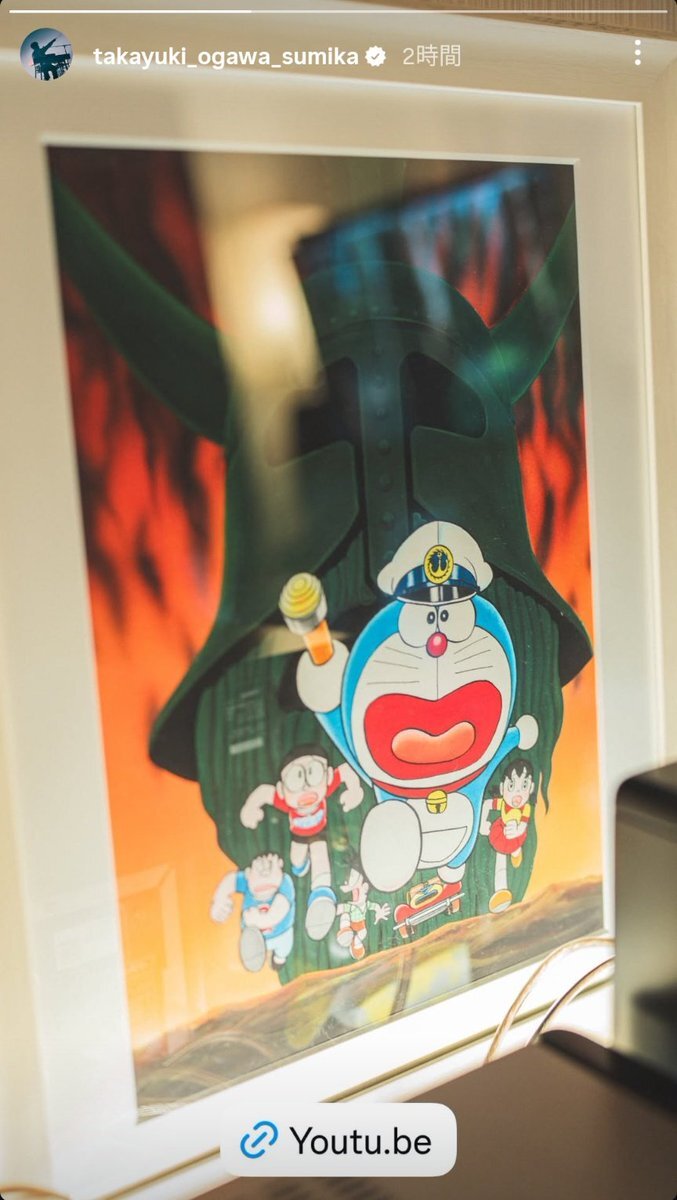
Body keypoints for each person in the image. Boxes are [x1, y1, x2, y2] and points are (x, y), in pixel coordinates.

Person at [240, 745, 364, 941]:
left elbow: (346, 771)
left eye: (313, 774)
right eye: (295, 779)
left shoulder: (327, 783)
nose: (306, 787)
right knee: (296, 861)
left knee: (320, 860)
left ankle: (321, 897)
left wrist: (355, 791)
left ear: (327, 776)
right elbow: (264, 793)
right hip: (298, 837)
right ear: (282, 788)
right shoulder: (284, 799)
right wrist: (250, 809)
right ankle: (302, 865)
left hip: (319, 834)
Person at [210, 851, 295, 973]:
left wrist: (259, 920)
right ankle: (255, 959)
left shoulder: (284, 882)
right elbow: (231, 880)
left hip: (281, 934)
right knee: (252, 953)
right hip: (253, 938)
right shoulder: (248, 881)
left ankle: (279, 959)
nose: (265, 874)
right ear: (249, 873)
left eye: (270, 867)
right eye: (260, 871)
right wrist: (219, 900)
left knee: (283, 950)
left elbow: (280, 909)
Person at [480, 759, 535, 913]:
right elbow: (487, 804)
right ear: (503, 788)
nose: (517, 794)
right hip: (501, 832)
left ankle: (516, 851)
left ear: (531, 788)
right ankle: (501, 892)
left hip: (515, 835)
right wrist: (483, 823)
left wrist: (516, 831)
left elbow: (523, 825)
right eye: (512, 786)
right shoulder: (503, 804)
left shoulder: (526, 808)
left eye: (524, 786)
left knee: (515, 848)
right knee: (500, 858)